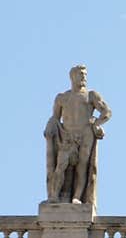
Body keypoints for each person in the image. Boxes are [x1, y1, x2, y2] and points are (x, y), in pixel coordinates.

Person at [44, 65, 112, 206]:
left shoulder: (91, 95)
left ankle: (77, 197)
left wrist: (96, 124)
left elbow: (107, 112)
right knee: (61, 165)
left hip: (86, 134)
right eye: (81, 74)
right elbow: (55, 119)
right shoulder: (62, 98)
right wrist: (51, 128)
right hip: (67, 137)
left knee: (82, 167)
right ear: (72, 76)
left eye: (85, 75)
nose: (84, 77)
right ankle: (55, 195)